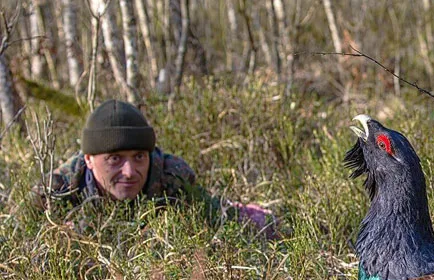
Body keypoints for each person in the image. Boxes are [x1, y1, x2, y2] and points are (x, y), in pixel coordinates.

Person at [32, 99, 275, 236]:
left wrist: (256, 220)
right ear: (88, 160)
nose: (129, 171)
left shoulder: (171, 175)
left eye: (139, 156)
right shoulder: (55, 192)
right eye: (115, 159)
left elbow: (214, 212)